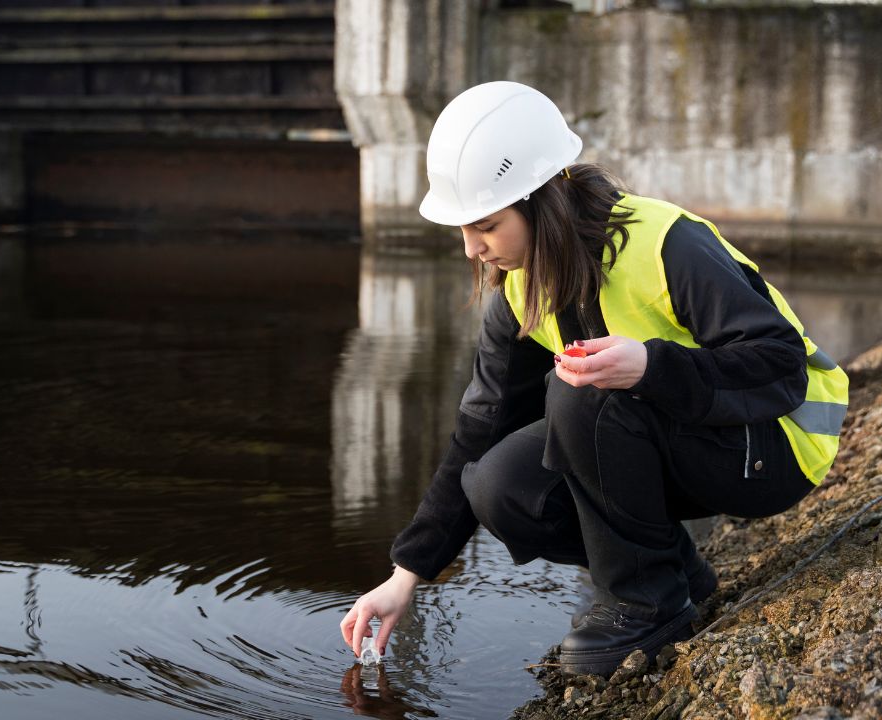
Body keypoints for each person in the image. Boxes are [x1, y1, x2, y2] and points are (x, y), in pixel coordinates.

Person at [339, 81, 849, 677]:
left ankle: (644, 605)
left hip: (776, 445)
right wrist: (407, 575)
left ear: (542, 200)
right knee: (497, 485)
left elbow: (780, 364)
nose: (472, 249)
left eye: (487, 225)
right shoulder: (520, 289)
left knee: (579, 395)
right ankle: (675, 575)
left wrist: (653, 367)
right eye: (463, 228)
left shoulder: (665, 244)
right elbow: (477, 433)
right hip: (693, 439)